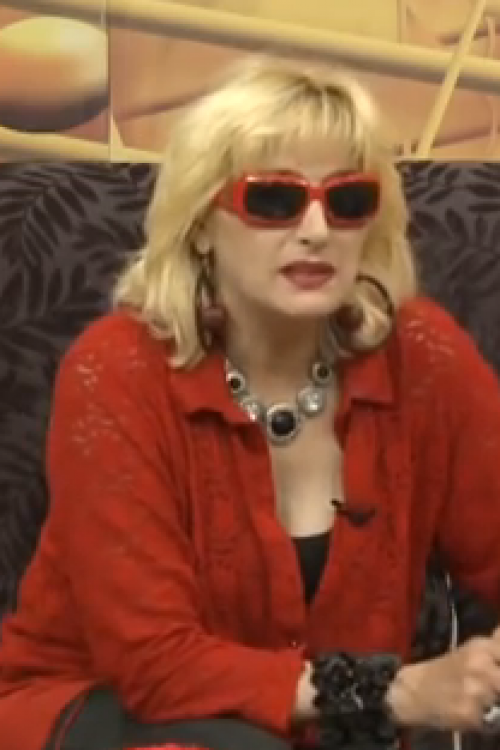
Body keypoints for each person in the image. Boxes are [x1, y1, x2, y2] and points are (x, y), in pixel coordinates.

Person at [0, 54, 499, 750]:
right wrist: (395, 692)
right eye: (274, 200)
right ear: (202, 223)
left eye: (347, 199)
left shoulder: (422, 357)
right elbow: (155, 665)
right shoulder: (116, 371)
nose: (317, 228)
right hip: (106, 710)